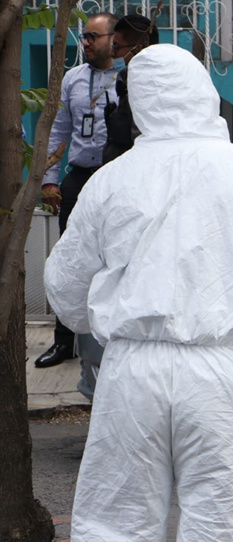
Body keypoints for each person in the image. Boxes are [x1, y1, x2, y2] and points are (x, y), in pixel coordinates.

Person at [44, 44, 233, 540]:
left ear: (140, 104)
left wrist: (109, 315)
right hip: (222, 370)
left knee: (116, 524)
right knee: (225, 525)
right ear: (205, 95)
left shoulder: (110, 181)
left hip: (131, 372)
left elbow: (66, 291)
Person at [74, 13, 161, 401]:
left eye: (119, 46)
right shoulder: (116, 78)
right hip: (109, 179)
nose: (115, 53)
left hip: (134, 190)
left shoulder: (149, 80)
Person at [35, 12, 120, 369]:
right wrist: (50, 179)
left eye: (93, 37)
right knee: (70, 257)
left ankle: (113, 341)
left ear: (114, 40)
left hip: (116, 179)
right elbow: (57, 132)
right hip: (80, 176)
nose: (85, 42)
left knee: (116, 256)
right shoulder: (73, 78)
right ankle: (63, 341)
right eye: (83, 36)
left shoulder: (129, 78)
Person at [102, 13, 159, 164]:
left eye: (116, 47)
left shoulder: (152, 86)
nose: (112, 53)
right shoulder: (126, 79)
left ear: (137, 49)